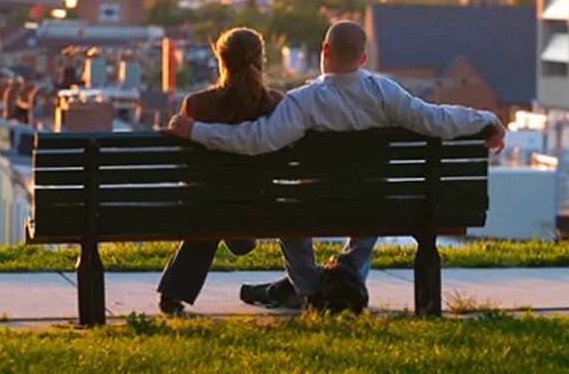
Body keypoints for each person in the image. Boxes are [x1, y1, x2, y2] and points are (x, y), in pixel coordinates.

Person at [167, 20, 506, 309]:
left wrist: (197, 131)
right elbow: (437, 120)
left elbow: (256, 140)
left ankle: (312, 287)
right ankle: (346, 276)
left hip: (311, 208)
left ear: (324, 52)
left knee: (289, 216)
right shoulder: (385, 94)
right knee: (371, 202)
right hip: (376, 207)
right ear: (363, 57)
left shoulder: (303, 101)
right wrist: (486, 119)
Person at [157, 27, 284, 314]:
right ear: (261, 60)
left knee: (212, 207)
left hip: (208, 204)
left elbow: (187, 170)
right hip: (262, 206)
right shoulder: (277, 104)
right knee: (227, 203)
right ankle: (241, 236)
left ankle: (174, 293)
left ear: (220, 61)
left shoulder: (198, 106)